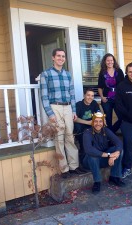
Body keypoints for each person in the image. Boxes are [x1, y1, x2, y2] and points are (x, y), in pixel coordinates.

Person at [40, 48, 85, 179]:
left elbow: (72, 94)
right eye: (58, 56)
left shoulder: (67, 74)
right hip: (55, 107)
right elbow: (44, 96)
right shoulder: (46, 74)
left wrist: (74, 111)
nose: (61, 58)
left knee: (70, 136)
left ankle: (74, 166)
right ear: (53, 58)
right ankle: (64, 169)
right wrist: (50, 113)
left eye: (63, 56)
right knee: (59, 137)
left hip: (68, 108)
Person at [83, 111, 125, 194]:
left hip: (102, 159)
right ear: (92, 122)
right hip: (89, 161)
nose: (98, 124)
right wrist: (109, 155)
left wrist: (114, 155)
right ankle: (97, 182)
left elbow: (118, 143)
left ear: (103, 122)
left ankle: (114, 177)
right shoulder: (87, 132)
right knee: (93, 155)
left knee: (119, 150)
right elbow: (89, 150)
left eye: (100, 121)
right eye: (96, 121)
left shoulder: (106, 130)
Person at [98, 53, 124, 133]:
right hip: (107, 99)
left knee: (122, 118)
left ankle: (111, 132)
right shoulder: (102, 72)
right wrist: (102, 97)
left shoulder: (119, 71)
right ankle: (110, 139)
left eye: (111, 60)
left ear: (114, 61)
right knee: (108, 120)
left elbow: (123, 84)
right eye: (108, 60)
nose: (110, 62)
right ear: (105, 62)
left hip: (118, 99)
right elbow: (100, 87)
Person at [74, 88, 100, 164]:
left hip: (92, 127)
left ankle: (96, 159)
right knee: (84, 142)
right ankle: (83, 163)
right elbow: (75, 119)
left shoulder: (94, 103)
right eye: (88, 95)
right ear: (84, 95)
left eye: (92, 96)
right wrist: (88, 122)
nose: (90, 97)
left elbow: (99, 114)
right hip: (81, 129)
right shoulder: (79, 105)